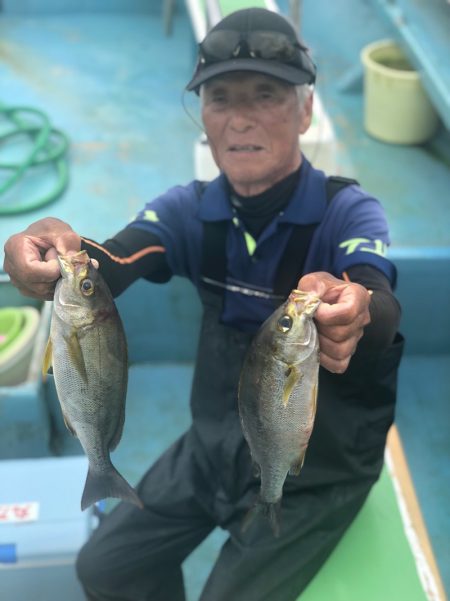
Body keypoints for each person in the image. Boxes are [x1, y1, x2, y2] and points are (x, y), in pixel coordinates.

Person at [3, 8, 403, 601]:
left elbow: (376, 293)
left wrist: (361, 310)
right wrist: (49, 248)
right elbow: (110, 263)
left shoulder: (348, 212)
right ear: (202, 116)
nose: (240, 117)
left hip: (317, 466)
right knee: (106, 571)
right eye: (220, 97)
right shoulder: (186, 211)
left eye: (266, 94)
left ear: (306, 109)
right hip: (215, 439)